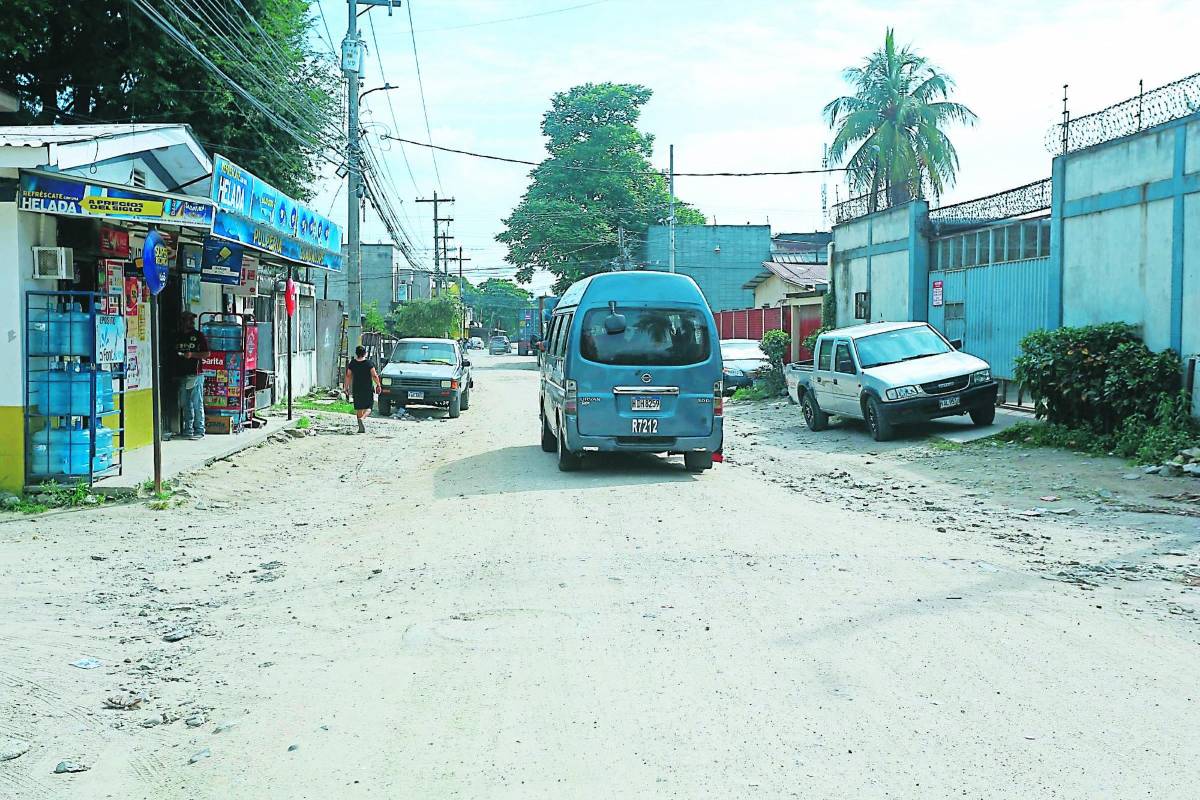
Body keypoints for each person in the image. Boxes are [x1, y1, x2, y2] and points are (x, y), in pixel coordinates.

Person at [175, 312, 209, 440]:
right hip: (182, 374)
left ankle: (199, 429)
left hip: (196, 374)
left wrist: (192, 355)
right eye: (186, 320)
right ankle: (188, 429)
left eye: (191, 320)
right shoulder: (177, 336)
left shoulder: (198, 336)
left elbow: (207, 353)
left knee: (196, 402)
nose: (189, 323)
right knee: (185, 403)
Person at [345, 345, 382, 433]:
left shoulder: (352, 363)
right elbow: (374, 375)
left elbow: (348, 375)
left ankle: (360, 427)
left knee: (359, 407)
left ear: (356, 353)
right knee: (369, 406)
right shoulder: (369, 363)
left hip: (357, 388)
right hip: (367, 388)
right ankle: (363, 418)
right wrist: (378, 385)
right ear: (365, 353)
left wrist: (346, 387)